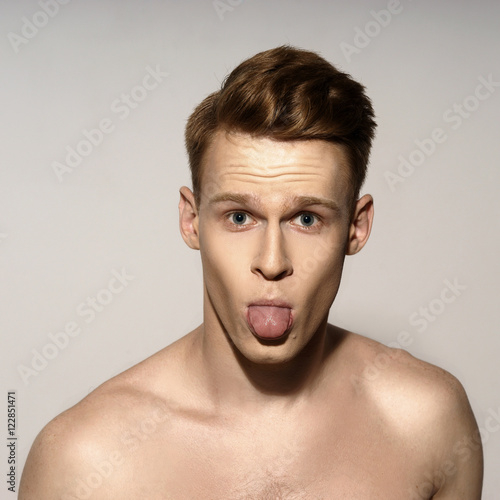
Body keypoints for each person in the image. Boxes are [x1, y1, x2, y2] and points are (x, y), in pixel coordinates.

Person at [19, 45, 483, 500]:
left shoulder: (428, 423)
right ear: (191, 220)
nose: (272, 261)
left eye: (306, 218)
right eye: (240, 217)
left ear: (356, 229)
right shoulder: (82, 461)